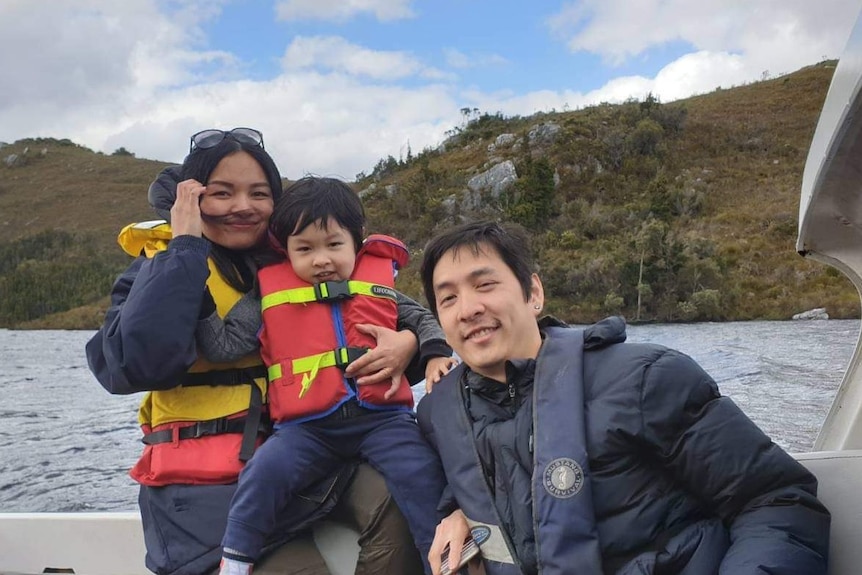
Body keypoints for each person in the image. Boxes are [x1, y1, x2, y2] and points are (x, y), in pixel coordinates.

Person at [85, 127, 441, 575]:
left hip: (308, 469)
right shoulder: (158, 265)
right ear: (191, 199)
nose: (242, 206)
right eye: (222, 192)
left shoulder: (292, 265)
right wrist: (186, 250)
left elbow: (368, 328)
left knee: (408, 497)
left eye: (258, 193)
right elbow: (135, 365)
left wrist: (410, 345)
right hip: (201, 497)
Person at [416, 220, 831, 575]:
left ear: (534, 294)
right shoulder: (438, 413)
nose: (467, 308)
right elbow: (488, 468)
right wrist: (458, 512)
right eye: (448, 298)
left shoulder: (647, 379)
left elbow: (776, 500)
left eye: (485, 285)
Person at [215, 176, 453, 575]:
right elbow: (224, 344)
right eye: (304, 249)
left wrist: (430, 354)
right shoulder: (267, 294)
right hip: (306, 430)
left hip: (383, 422)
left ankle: (443, 564)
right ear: (285, 251)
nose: (321, 259)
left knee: (423, 473)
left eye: (334, 245)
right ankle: (236, 560)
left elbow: (424, 319)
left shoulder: (377, 286)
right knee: (263, 472)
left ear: (356, 242)